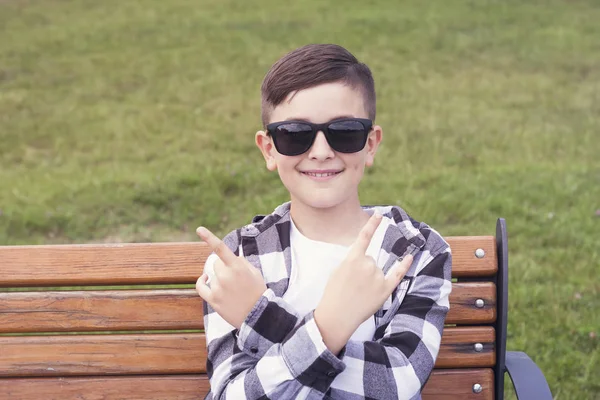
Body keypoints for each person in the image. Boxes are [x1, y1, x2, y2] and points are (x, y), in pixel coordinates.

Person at [195, 43, 452, 400]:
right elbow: (231, 395)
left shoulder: (414, 251)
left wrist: (262, 318)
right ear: (269, 149)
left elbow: (397, 382)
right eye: (294, 135)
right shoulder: (237, 259)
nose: (320, 151)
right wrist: (330, 328)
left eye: (344, 131)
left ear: (371, 143)